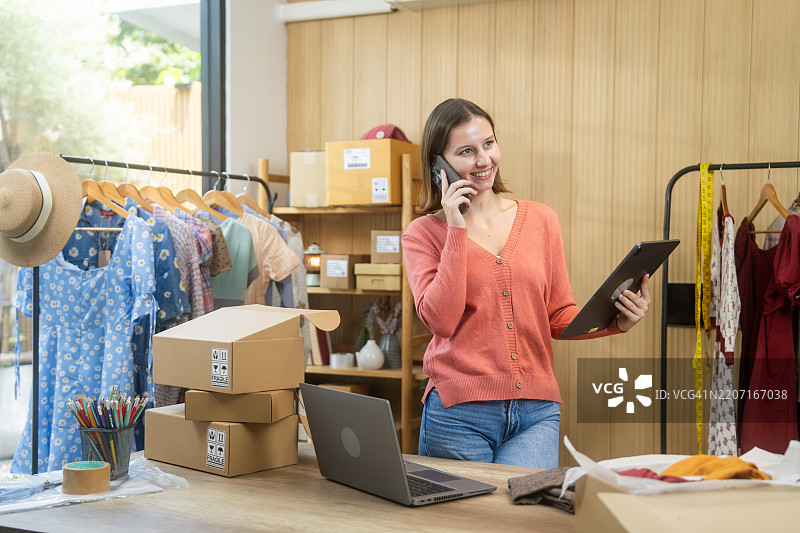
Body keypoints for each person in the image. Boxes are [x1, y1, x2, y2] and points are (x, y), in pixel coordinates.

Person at [402, 98, 651, 468]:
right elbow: (441, 321)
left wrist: (615, 321)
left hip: (536, 414)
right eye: (467, 151)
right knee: (463, 526)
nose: (484, 160)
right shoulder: (423, 234)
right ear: (440, 165)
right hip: (458, 414)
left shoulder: (541, 220)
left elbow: (558, 314)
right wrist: (456, 229)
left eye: (488, 144)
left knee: (524, 524)